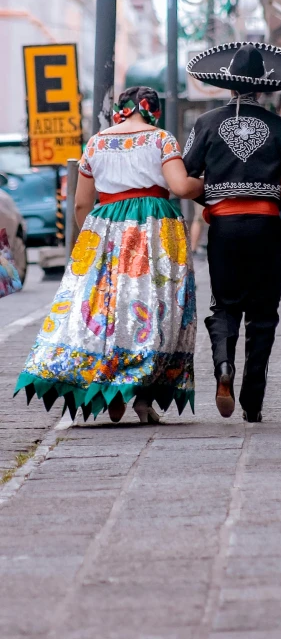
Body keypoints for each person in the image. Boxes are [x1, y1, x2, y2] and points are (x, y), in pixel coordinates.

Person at [15, 86, 203, 423]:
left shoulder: (96, 142)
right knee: (155, 310)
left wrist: (88, 238)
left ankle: (107, 386)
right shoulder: (162, 139)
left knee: (105, 308)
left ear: (121, 109)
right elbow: (180, 187)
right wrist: (206, 184)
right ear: (153, 110)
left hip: (106, 225)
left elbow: (81, 203)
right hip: (154, 227)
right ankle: (141, 393)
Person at [184, 42, 281, 422]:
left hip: (225, 226)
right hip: (267, 226)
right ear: (263, 87)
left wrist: (215, 199)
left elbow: (187, 174)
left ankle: (223, 367)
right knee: (264, 313)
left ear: (228, 85)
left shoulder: (205, 123)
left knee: (225, 305)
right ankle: (253, 399)